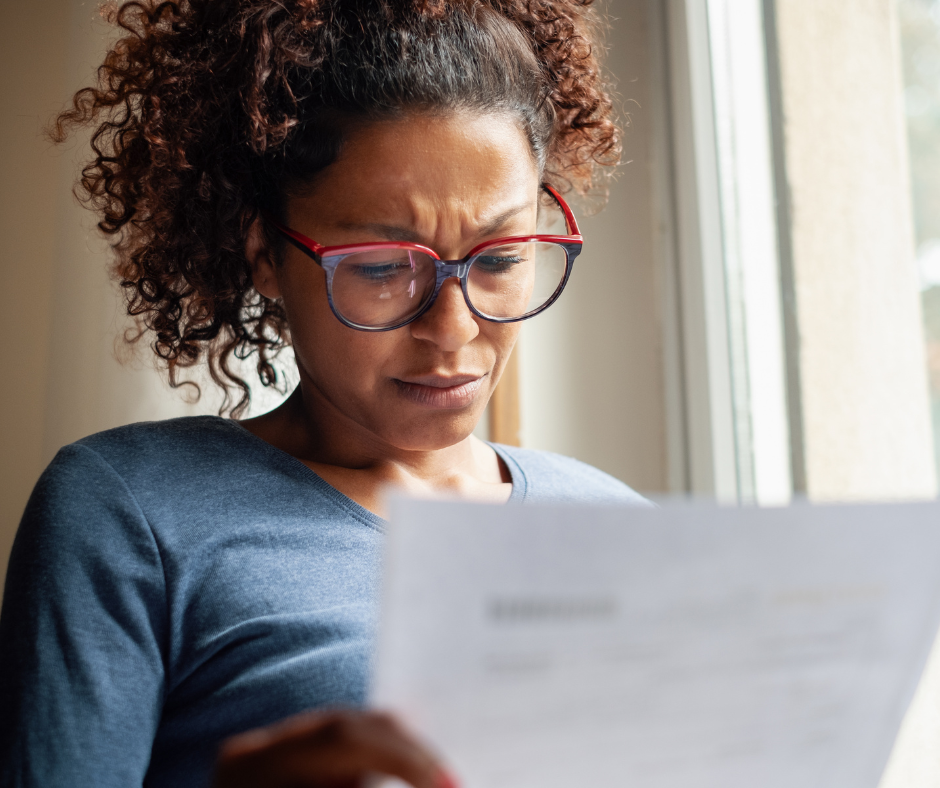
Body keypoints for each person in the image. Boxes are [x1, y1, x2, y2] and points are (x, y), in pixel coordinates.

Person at [0, 1, 648, 786]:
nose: (452, 328)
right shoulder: (134, 513)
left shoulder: (620, 527)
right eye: (380, 269)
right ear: (266, 255)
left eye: (502, 258)